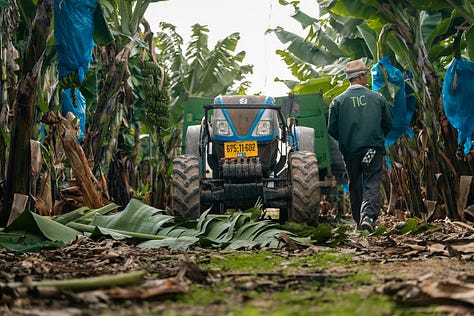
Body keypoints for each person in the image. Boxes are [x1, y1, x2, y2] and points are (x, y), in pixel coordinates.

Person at [327, 59, 393, 232]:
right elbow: (388, 124)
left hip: (350, 152)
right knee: (372, 182)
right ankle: (368, 217)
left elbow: (332, 129)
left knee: (355, 183)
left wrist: (347, 141)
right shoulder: (377, 98)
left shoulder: (337, 101)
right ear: (362, 77)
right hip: (372, 150)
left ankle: (358, 220)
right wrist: (377, 138)